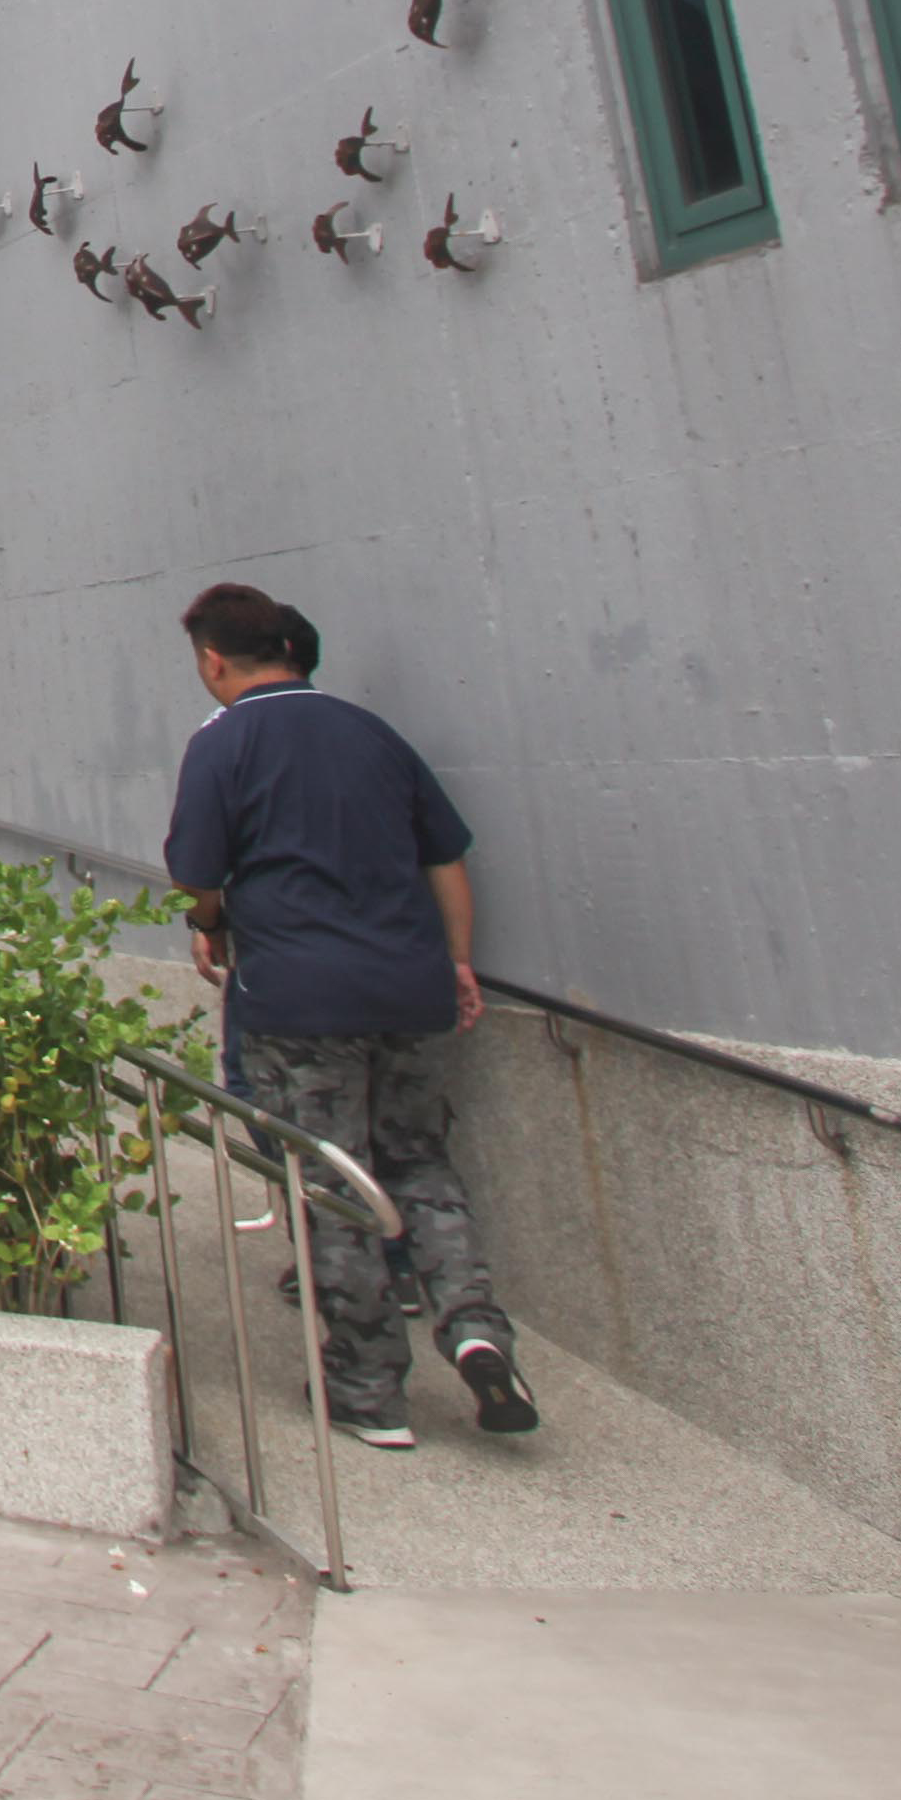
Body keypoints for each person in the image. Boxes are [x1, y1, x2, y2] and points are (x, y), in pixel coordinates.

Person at [161, 581, 535, 1446]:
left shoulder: (224, 743)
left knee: (332, 1184)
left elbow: (197, 871)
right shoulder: (375, 734)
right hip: (409, 986)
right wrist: (458, 962)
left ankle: (368, 1392)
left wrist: (209, 927)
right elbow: (446, 858)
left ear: (214, 660)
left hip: (298, 996)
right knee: (420, 1163)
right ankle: (475, 1327)